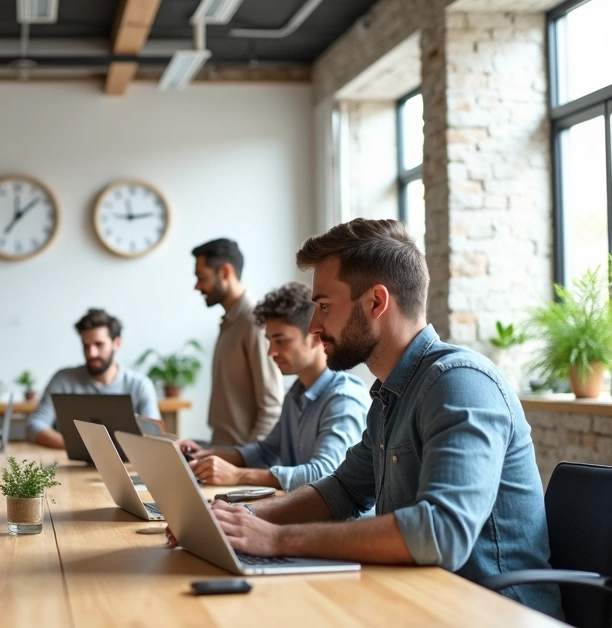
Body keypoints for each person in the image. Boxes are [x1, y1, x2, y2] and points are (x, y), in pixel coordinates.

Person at [169, 219, 561, 618]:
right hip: (416, 600)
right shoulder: (390, 394)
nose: (314, 326)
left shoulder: (459, 384)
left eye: (323, 306)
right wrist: (243, 518)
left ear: (376, 301)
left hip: (489, 612)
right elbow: (343, 490)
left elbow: (442, 533)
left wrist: (278, 540)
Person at [181, 282, 368, 491]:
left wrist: (237, 475)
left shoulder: (343, 399)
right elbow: (264, 452)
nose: (271, 352)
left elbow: (324, 473)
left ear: (316, 337)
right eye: (270, 341)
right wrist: (206, 455)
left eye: (281, 341)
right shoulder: (295, 395)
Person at [192, 238, 283, 446]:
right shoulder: (231, 321)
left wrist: (247, 461)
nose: (197, 286)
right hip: (224, 454)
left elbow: (271, 406)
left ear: (225, 272)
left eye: (201, 276)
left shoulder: (254, 322)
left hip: (239, 464)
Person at [27, 309, 160, 450]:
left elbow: (154, 437)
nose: (91, 353)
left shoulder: (140, 385)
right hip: (71, 468)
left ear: (117, 343)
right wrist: (75, 446)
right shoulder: (63, 380)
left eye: (99, 344)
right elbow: (34, 425)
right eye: (86, 346)